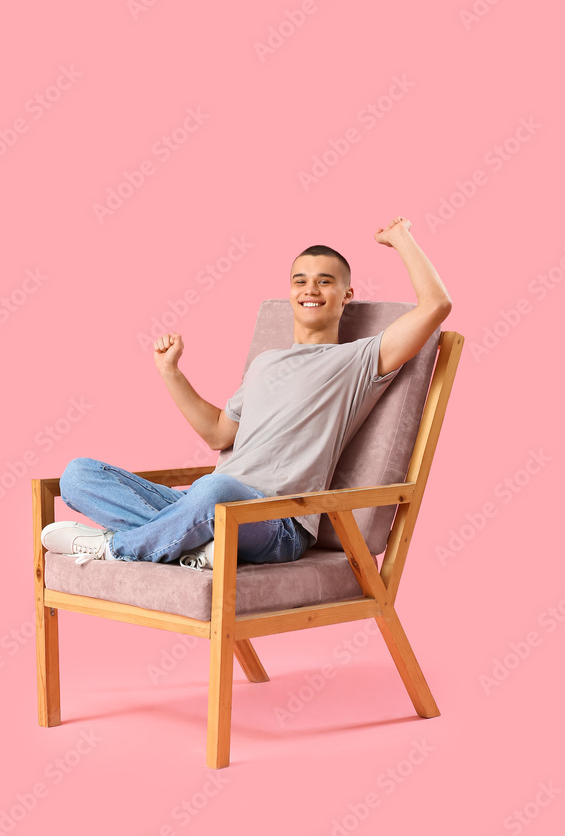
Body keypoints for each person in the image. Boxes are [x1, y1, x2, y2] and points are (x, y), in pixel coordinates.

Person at [41, 216, 451, 570]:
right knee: (79, 475)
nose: (310, 289)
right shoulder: (264, 363)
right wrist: (170, 372)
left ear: (346, 295)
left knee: (214, 490)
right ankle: (196, 544)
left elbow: (435, 304)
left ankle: (116, 548)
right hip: (208, 505)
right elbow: (219, 434)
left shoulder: (359, 360)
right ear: (290, 292)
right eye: (300, 281)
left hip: (278, 522)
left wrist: (401, 237)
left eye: (324, 281)